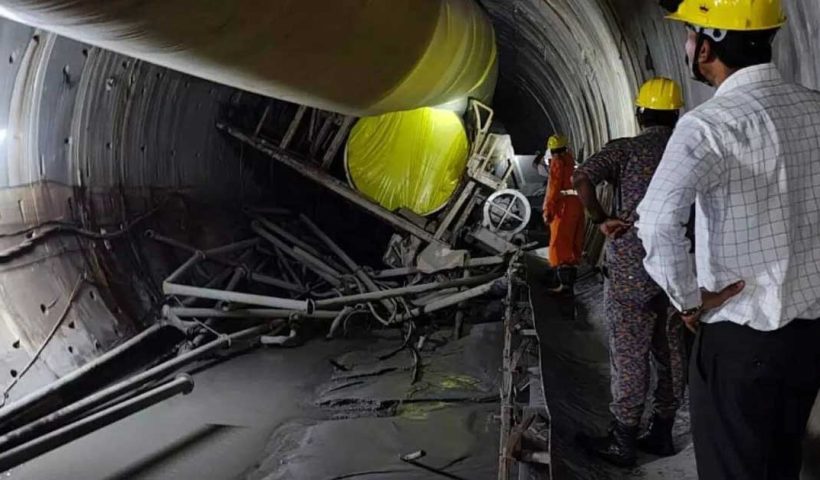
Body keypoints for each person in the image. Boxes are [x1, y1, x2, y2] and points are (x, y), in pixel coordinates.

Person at [637, 1, 820, 478]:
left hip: (740, 339)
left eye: (689, 36)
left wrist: (688, 299)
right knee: (782, 462)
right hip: (808, 339)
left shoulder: (708, 125)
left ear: (706, 45)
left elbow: (656, 221)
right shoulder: (815, 110)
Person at [573, 77, 686, 467]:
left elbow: (582, 177)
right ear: (676, 114)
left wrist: (601, 219)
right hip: (677, 265)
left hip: (631, 268)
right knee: (669, 348)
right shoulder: (688, 148)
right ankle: (662, 430)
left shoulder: (625, 150)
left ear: (640, 113)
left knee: (629, 351)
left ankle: (623, 438)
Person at [542, 134, 584, 293]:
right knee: (573, 243)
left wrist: (548, 210)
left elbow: (553, 188)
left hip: (564, 206)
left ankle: (564, 285)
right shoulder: (572, 162)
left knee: (560, 243)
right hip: (577, 204)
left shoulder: (557, 163)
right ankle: (568, 282)